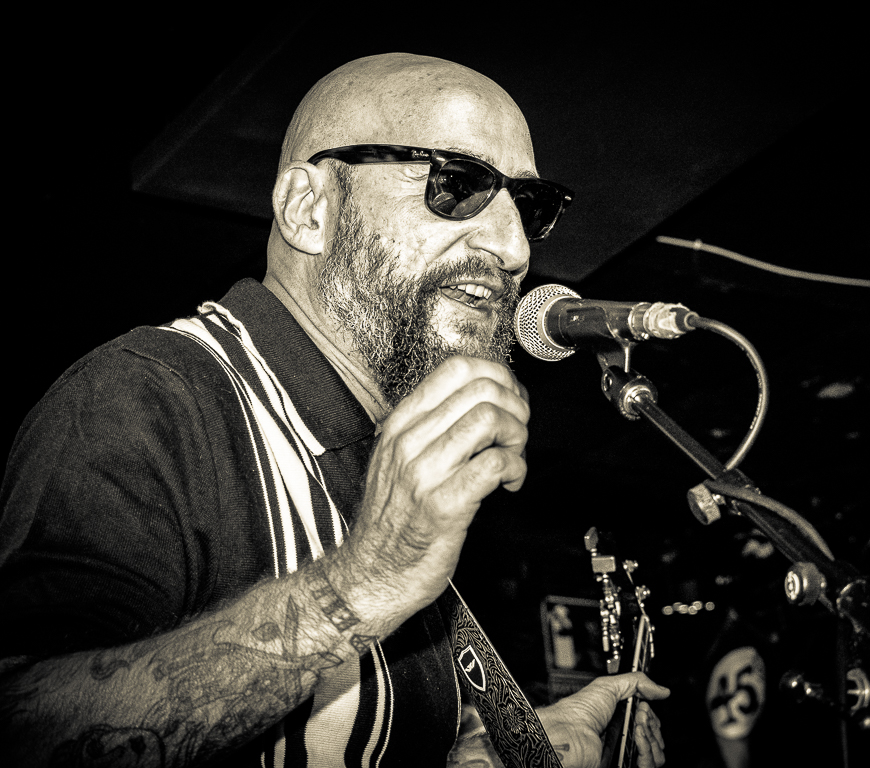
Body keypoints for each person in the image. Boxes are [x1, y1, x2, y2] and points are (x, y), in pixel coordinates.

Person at [0, 53, 669, 766]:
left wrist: (511, 752)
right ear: (308, 209)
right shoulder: (151, 397)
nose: (512, 247)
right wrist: (366, 581)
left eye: (530, 208)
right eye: (456, 183)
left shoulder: (386, 466)